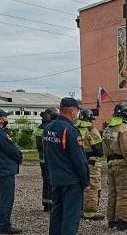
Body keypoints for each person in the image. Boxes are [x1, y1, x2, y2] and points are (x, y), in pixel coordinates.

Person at [43, 97, 90, 235]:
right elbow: (79, 159)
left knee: (57, 212)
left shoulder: (48, 128)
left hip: (56, 178)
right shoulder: (70, 130)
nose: (77, 114)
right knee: (71, 215)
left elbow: (47, 155)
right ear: (72, 111)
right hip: (71, 181)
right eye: (76, 111)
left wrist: (50, 175)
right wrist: (85, 181)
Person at [0, 109, 23, 234]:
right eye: (6, 117)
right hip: (5, 169)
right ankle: (4, 225)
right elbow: (12, 149)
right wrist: (20, 157)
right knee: (6, 197)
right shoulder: (0, 133)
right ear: (0, 119)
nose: (7, 119)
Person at [102, 103, 127, 230]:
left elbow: (104, 150)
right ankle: (123, 221)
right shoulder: (125, 129)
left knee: (113, 193)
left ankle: (112, 220)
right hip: (123, 165)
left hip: (111, 164)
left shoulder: (107, 129)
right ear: (125, 115)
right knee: (125, 193)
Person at [75, 108, 105, 221]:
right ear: (90, 118)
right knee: (92, 186)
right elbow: (99, 151)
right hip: (91, 162)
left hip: (77, 161)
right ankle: (90, 212)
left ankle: (79, 209)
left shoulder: (74, 128)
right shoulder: (92, 130)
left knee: (79, 185)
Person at [34, 107, 58, 212]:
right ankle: (52, 204)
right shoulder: (50, 127)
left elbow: (39, 145)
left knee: (45, 181)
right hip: (49, 159)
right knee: (51, 181)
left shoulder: (40, 127)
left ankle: (46, 204)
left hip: (42, 158)